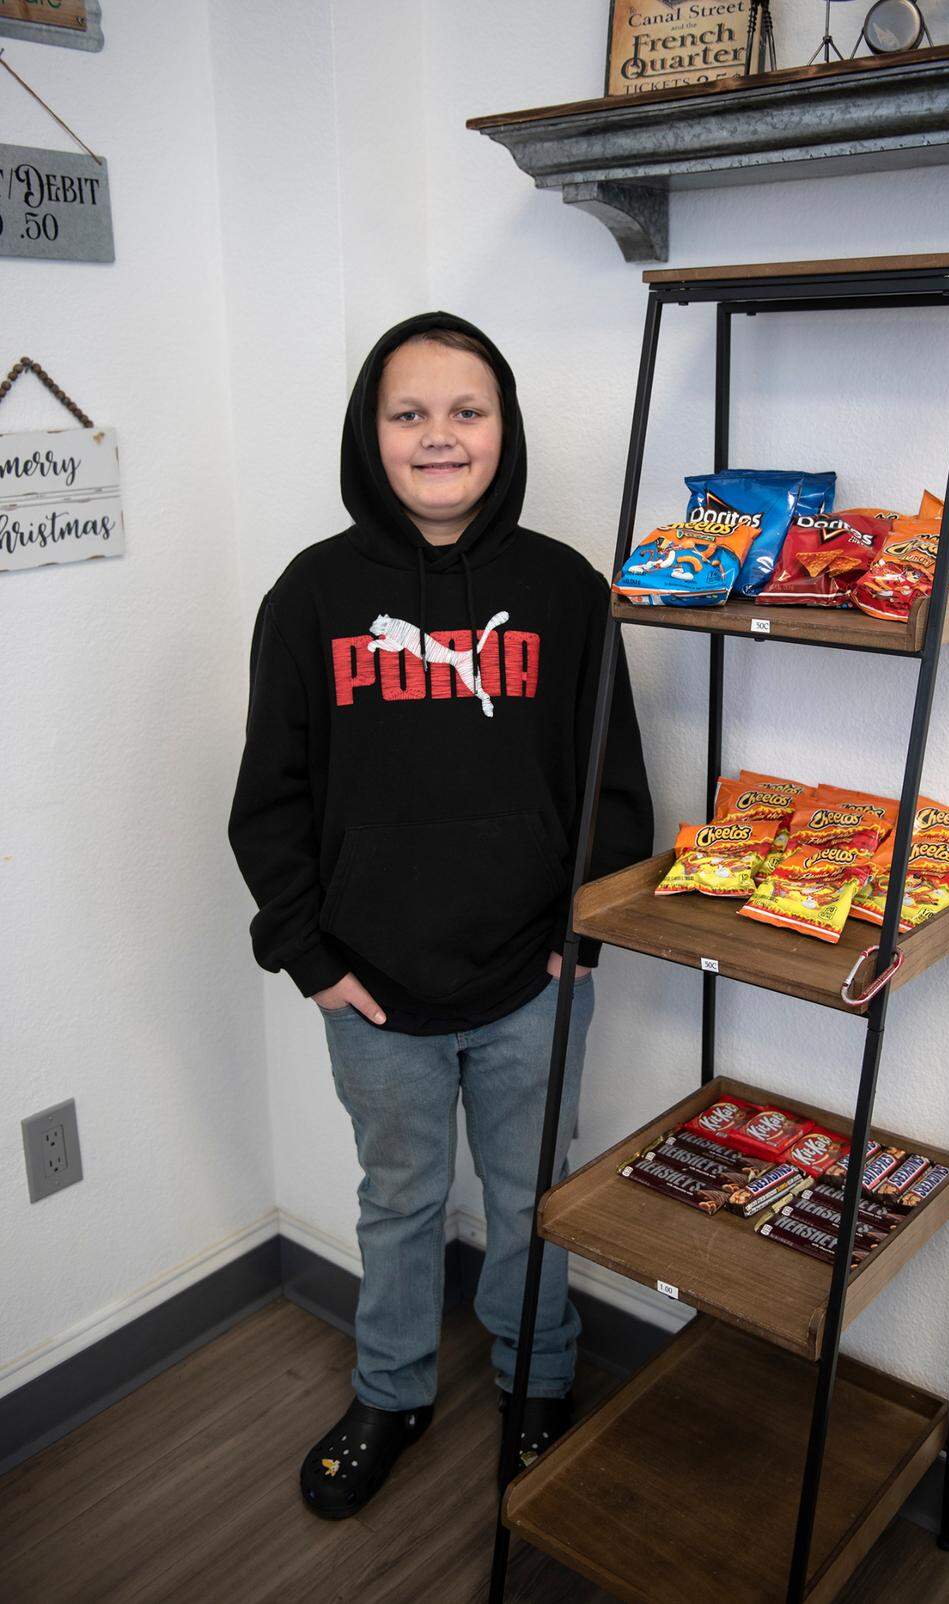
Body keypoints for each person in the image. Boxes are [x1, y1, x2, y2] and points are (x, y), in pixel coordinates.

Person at [227, 312, 653, 1520]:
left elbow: (613, 781)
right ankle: (393, 1390)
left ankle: (538, 1378)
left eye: (467, 410)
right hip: (372, 988)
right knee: (400, 1202)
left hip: (533, 982)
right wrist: (307, 954)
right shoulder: (312, 595)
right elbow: (269, 798)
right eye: (408, 412)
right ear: (371, 432)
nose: (439, 435)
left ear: (504, 428)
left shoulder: (564, 589)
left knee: (532, 1199)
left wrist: (585, 931)